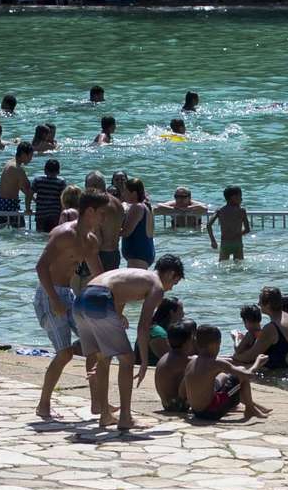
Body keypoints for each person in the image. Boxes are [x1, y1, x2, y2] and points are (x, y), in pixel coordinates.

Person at [72, 255, 186, 430]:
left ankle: (105, 415)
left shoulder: (136, 275)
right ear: (171, 274)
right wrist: (144, 362)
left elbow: (116, 294)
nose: (170, 288)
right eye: (174, 282)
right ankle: (125, 417)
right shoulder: (157, 285)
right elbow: (143, 327)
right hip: (99, 299)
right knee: (127, 359)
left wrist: (116, 318)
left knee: (103, 358)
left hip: (80, 301)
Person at [32, 192, 105, 419]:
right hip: (48, 293)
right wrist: (54, 299)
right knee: (65, 353)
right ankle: (43, 404)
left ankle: (97, 404)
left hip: (70, 294)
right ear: (90, 212)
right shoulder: (64, 235)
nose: (104, 219)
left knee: (94, 347)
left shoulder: (91, 240)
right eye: (101, 214)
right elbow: (41, 267)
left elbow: (100, 275)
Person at [183, 325, 270, 423]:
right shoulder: (215, 362)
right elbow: (247, 375)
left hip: (196, 411)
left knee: (223, 376)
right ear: (215, 344)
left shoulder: (192, 361)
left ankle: (252, 406)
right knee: (241, 374)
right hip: (211, 412)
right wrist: (257, 362)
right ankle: (250, 409)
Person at [155, 319, 197, 411]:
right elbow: (209, 362)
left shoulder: (167, 357)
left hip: (167, 404)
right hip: (176, 405)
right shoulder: (183, 360)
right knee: (218, 376)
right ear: (188, 342)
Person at [208, 186, 250, 260]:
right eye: (240, 196)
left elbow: (208, 225)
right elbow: (247, 229)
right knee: (239, 267)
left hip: (225, 243)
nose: (241, 199)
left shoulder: (220, 211)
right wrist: (237, 234)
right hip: (237, 243)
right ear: (234, 197)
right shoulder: (241, 211)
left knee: (222, 266)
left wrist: (213, 241)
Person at [0, 141, 33, 226]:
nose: (31, 159)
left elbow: (20, 187)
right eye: (30, 156)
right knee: (19, 235)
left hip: (1, 204)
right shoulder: (18, 169)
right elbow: (29, 190)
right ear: (23, 154)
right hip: (10, 206)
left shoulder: (9, 163)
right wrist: (28, 208)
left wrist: (34, 199)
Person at [121, 177, 155, 266]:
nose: (123, 194)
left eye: (125, 191)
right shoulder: (147, 206)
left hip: (138, 255)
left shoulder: (137, 207)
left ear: (134, 193)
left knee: (134, 280)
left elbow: (126, 232)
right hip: (144, 252)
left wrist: (107, 231)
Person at [31, 158, 66, 232]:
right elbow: (63, 200)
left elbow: (29, 194)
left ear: (45, 170)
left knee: (40, 237)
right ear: (58, 171)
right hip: (55, 216)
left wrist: (35, 202)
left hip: (41, 215)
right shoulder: (61, 182)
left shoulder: (37, 181)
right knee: (53, 237)